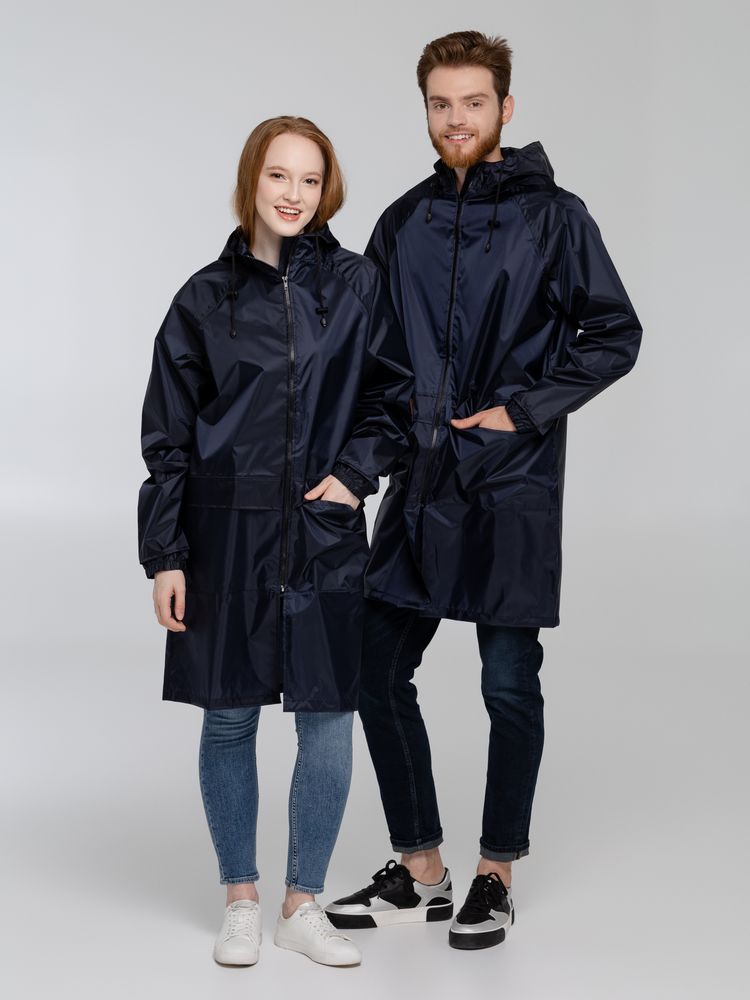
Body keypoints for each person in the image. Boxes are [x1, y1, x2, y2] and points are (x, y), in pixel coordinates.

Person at [324, 31, 643, 950]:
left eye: (472, 102)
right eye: (440, 104)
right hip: (421, 485)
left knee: (507, 684)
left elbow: (613, 333)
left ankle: (496, 873)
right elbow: (376, 362)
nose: (455, 119)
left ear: (506, 107)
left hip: (510, 488)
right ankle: (422, 867)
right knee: (375, 669)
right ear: (425, 110)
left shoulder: (556, 218)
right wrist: (357, 467)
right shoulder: (403, 222)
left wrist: (523, 411)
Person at [137, 116, 413, 968]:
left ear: (327, 190)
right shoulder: (203, 300)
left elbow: (396, 397)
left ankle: (303, 902)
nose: (294, 194)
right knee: (228, 717)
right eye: (279, 176)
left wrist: (355, 474)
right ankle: (241, 899)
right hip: (225, 538)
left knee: (328, 718)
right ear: (251, 181)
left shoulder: (358, 286)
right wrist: (166, 554)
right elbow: (168, 438)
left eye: (310, 179)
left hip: (323, 538)